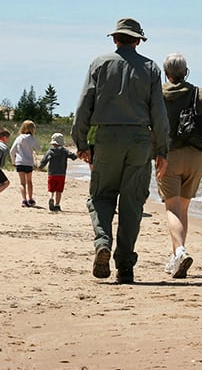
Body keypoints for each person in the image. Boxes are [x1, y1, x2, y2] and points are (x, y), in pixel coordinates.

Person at [71, 18, 169, 284]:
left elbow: (84, 105)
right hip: (139, 139)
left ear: (115, 39)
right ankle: (125, 265)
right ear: (137, 40)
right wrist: (163, 149)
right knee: (132, 203)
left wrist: (80, 142)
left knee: (101, 196)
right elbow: (159, 112)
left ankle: (102, 242)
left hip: (107, 137)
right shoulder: (150, 67)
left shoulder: (100, 64)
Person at [157, 53, 202, 278]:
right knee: (183, 208)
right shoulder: (198, 93)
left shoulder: (158, 94)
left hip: (168, 156)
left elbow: (153, 126)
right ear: (186, 72)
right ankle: (176, 258)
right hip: (195, 156)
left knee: (172, 208)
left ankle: (180, 251)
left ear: (166, 73)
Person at [38, 133, 77, 212]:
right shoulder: (65, 151)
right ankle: (57, 204)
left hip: (51, 173)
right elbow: (73, 156)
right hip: (61, 174)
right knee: (59, 190)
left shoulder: (50, 151)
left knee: (51, 189)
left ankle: (51, 198)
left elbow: (44, 160)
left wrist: (40, 167)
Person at [9, 120, 42, 207]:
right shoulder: (32, 138)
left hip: (20, 162)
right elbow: (39, 149)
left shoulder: (19, 138)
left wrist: (13, 161)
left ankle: (24, 200)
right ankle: (30, 199)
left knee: (22, 183)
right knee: (29, 181)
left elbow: (12, 151)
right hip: (29, 162)